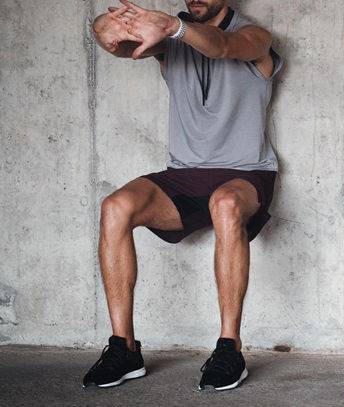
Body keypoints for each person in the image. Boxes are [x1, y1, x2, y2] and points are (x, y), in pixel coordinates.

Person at [82, 0, 283, 392]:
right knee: (115, 206)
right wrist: (105, 28)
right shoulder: (168, 40)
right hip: (183, 175)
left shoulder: (255, 37)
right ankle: (124, 348)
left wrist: (173, 27)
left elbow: (223, 47)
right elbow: (119, 43)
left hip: (245, 174)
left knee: (225, 203)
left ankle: (229, 349)